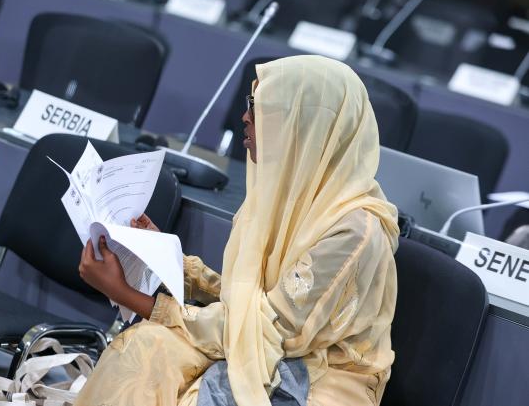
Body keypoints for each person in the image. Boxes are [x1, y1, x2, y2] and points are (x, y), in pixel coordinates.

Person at [75, 55, 400, 406]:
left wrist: (131, 297)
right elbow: (248, 305)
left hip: (321, 380)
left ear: (303, 125)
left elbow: (268, 331)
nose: (245, 117)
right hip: (266, 351)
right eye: (250, 103)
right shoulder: (285, 194)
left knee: (194, 390)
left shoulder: (354, 231)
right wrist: (165, 258)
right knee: (145, 348)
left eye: (260, 107)